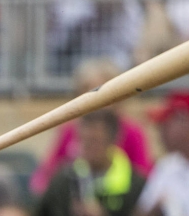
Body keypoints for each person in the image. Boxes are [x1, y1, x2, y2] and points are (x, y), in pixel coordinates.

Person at [30, 59, 153, 195]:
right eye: (89, 93)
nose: (97, 102)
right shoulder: (70, 131)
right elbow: (43, 179)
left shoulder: (132, 132)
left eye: (103, 93)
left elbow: (144, 181)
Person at [37, 109, 147, 216]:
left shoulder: (135, 184)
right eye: (83, 140)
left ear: (113, 141)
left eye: (95, 141)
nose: (87, 148)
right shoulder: (63, 179)